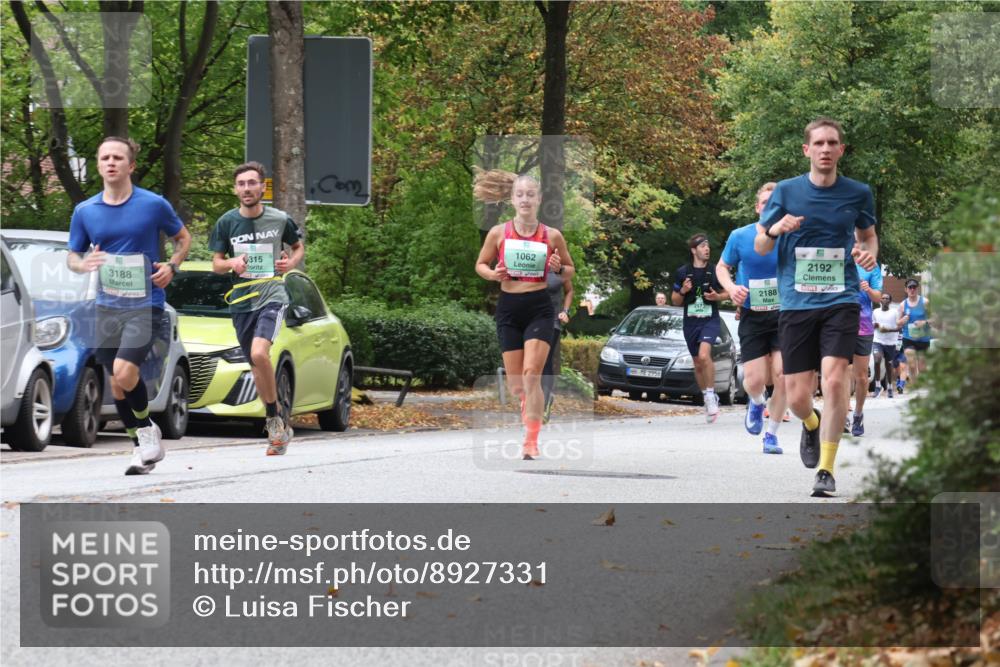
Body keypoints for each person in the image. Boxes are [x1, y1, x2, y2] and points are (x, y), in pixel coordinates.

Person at [754, 118, 878, 497]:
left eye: (833, 143)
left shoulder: (858, 193)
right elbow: (761, 244)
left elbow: (868, 237)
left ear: (841, 150)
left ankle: (826, 469)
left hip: (841, 300)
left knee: (837, 378)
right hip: (795, 303)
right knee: (795, 396)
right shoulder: (788, 192)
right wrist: (776, 229)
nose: (826, 149)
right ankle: (810, 422)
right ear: (807, 150)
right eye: (819, 143)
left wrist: (868, 256)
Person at [67, 136, 191, 476]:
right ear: (98, 164)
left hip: (145, 303)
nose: (110, 162)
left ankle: (147, 433)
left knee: (124, 370)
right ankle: (141, 446)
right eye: (104, 157)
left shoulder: (153, 205)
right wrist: (84, 264)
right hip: (107, 305)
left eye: (117, 157)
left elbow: (183, 238)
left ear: (130, 165)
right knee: (118, 382)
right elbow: (72, 257)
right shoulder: (86, 211)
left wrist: (172, 266)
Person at [474, 170, 574, 460]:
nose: (525, 199)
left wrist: (557, 267)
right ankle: (527, 405)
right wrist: (493, 274)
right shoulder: (498, 233)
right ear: (512, 199)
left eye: (531, 194)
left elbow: (569, 270)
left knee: (532, 374)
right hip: (509, 307)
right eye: (520, 194)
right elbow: (480, 264)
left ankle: (531, 440)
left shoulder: (552, 235)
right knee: (518, 383)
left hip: (540, 308)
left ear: (540, 199)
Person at [209, 161, 304, 456]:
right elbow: (216, 262)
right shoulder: (226, 222)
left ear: (263, 187)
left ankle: (275, 422)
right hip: (241, 301)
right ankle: (276, 420)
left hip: (272, 294)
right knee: (256, 365)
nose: (247, 188)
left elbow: (298, 246)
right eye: (241, 184)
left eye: (252, 183)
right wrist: (232, 264)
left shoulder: (279, 219)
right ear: (235, 189)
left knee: (259, 353)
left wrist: (290, 262)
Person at [717, 182, 786, 453]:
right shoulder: (740, 236)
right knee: (754, 380)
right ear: (758, 207)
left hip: (785, 314)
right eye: (765, 202)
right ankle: (757, 402)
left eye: (775, 203)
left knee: (783, 375)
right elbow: (722, 267)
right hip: (752, 314)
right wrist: (732, 288)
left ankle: (772, 435)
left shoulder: (791, 236)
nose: (769, 207)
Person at [672, 234, 728, 423]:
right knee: (697, 362)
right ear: (693, 250)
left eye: (708, 246)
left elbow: (728, 292)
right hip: (690, 322)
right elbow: (675, 301)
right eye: (702, 246)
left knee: (704, 356)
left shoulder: (715, 271)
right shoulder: (682, 272)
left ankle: (711, 395)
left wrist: (717, 298)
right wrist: (683, 291)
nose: (707, 249)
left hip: (709, 320)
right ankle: (706, 396)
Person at [844, 259, 883, 436]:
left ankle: (858, 414)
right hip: (840, 324)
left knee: (860, 376)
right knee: (842, 371)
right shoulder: (838, 258)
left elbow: (878, 297)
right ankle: (843, 414)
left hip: (863, 326)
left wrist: (868, 289)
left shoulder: (871, 266)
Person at [542, 270, 574, 423]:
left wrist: (565, 311)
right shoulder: (529, 263)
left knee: (544, 361)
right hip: (529, 321)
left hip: (552, 322)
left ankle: (545, 404)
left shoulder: (558, 267)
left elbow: (569, 290)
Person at [898, 278, 931, 390]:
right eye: (910, 287)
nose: (912, 289)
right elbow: (898, 323)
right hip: (909, 338)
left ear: (917, 288)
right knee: (911, 363)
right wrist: (902, 321)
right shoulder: (903, 305)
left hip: (923, 338)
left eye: (914, 287)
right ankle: (915, 385)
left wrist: (924, 322)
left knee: (922, 367)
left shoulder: (925, 302)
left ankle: (922, 384)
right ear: (906, 289)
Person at [872, 293, 904, 398]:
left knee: (888, 365)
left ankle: (890, 387)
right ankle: (877, 386)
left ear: (890, 301)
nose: (885, 300)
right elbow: (873, 324)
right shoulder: (875, 312)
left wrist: (887, 329)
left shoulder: (894, 313)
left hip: (891, 342)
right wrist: (875, 325)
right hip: (878, 340)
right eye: (883, 298)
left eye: (887, 298)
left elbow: (899, 328)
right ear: (880, 300)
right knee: (877, 359)